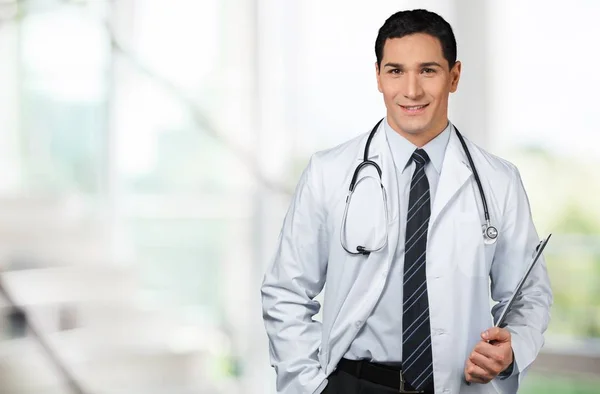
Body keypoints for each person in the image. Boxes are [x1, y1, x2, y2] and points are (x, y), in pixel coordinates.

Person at [261, 9, 552, 394]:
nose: (411, 90)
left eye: (428, 70)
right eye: (396, 71)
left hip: (458, 385)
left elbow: (528, 295)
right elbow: (286, 291)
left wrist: (512, 350)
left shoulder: (499, 180)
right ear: (378, 76)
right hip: (353, 383)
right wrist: (312, 385)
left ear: (455, 76)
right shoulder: (327, 173)